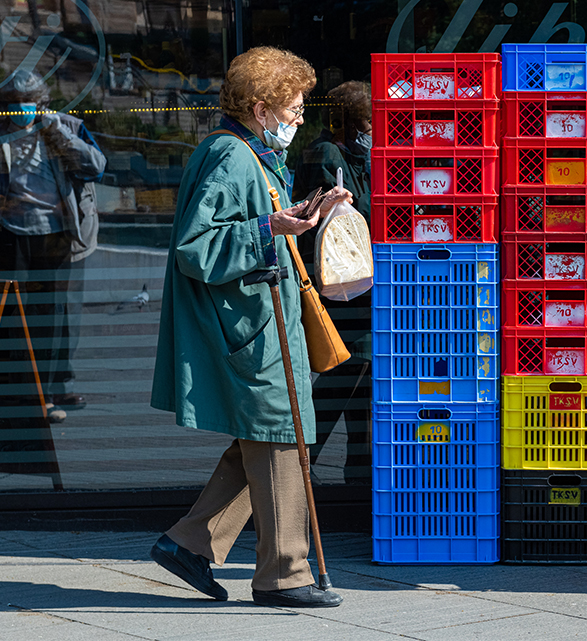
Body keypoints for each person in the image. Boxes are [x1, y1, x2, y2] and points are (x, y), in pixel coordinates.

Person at [149, 46, 352, 608]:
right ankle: (283, 574)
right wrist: (272, 226)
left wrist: (301, 214)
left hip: (261, 322)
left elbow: (253, 223)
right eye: (295, 104)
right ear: (261, 108)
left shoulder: (250, 156)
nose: (302, 114)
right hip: (249, 327)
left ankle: (190, 541)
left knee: (263, 437)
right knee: (281, 438)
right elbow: (197, 246)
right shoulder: (232, 156)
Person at [0, 70, 105, 424]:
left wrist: (55, 132)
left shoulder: (65, 127)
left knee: (53, 312)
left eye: (27, 105)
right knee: (15, 313)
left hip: (58, 232)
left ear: (42, 105)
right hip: (12, 232)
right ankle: (20, 388)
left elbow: (96, 167)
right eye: (13, 105)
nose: (20, 111)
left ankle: (51, 386)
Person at [292, 80, 372, 484]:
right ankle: (301, 460)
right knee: (349, 365)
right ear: (344, 123)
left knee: (362, 375)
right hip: (343, 285)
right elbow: (365, 215)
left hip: (356, 285)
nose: (371, 133)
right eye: (366, 124)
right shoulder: (325, 153)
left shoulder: (348, 154)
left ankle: (358, 469)